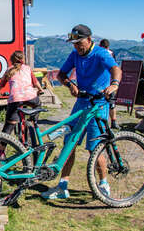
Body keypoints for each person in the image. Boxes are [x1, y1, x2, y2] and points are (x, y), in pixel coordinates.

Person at [41, 25, 122, 200]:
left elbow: (116, 69)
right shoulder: (75, 55)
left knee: (96, 148)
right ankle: (63, 186)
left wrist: (114, 84)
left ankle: (103, 184)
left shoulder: (101, 53)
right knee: (69, 143)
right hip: (81, 103)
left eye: (80, 43)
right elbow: (61, 74)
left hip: (98, 104)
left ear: (89, 39)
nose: (77, 46)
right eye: (74, 44)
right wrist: (70, 85)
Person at [0, 50, 44, 157]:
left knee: (9, 125)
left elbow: (1, 84)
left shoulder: (9, 70)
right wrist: (40, 90)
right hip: (31, 98)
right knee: (38, 104)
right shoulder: (28, 69)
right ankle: (32, 122)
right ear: (23, 60)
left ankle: (1, 151)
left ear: (12, 60)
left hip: (15, 99)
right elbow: (35, 82)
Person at [99, 39, 120, 130]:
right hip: (111, 82)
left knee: (99, 103)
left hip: (101, 82)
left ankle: (102, 123)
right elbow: (115, 67)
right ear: (108, 46)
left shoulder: (99, 53)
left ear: (100, 45)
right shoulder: (111, 53)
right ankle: (114, 122)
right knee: (111, 103)